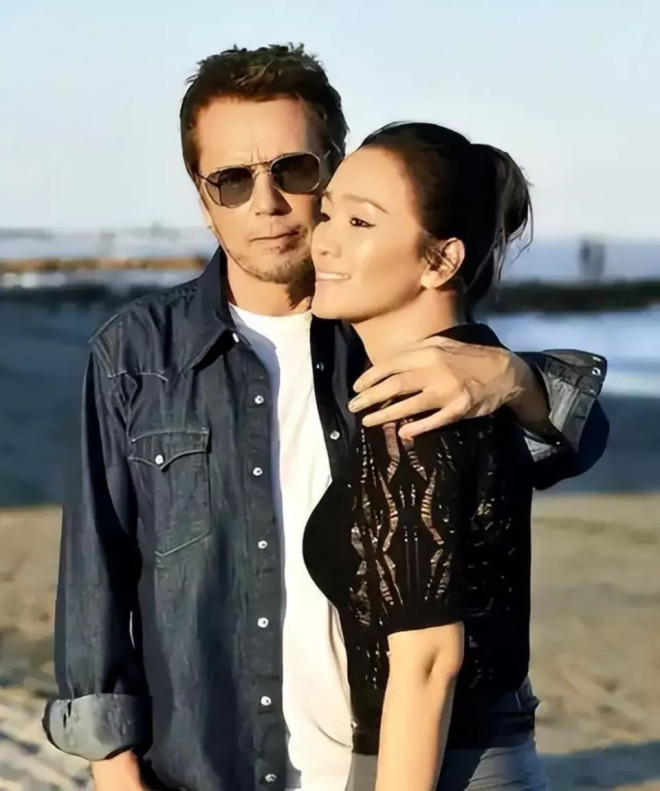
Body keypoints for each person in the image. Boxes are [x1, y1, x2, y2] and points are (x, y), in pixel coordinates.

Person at [42, 46, 607, 791]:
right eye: (232, 180)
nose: (267, 203)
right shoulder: (136, 356)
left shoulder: (396, 339)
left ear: (334, 170)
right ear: (202, 196)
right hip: (211, 769)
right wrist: (113, 768)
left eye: (295, 170)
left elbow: (566, 444)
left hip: (390, 765)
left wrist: (515, 378)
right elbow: (95, 572)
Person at [303, 122, 561, 791]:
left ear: (440, 261)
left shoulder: (419, 408)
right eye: (327, 213)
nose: (322, 238)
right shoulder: (470, 379)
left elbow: (426, 663)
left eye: (360, 221)